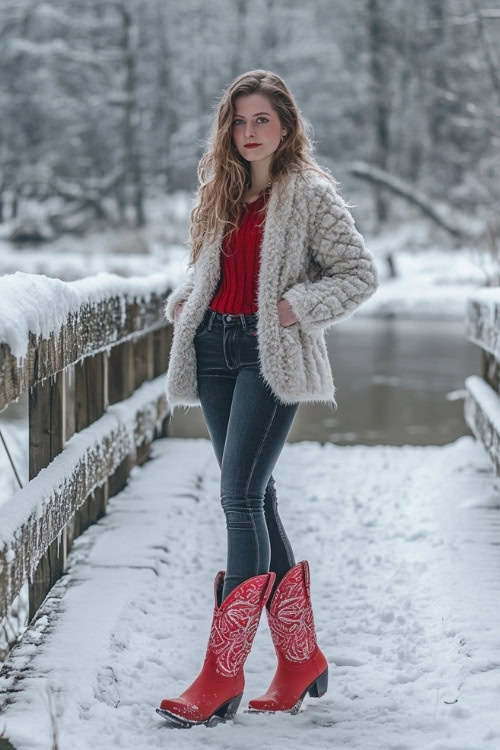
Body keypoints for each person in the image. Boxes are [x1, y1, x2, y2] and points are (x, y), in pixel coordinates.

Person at [156, 69, 379, 728]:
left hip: (267, 354)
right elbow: (210, 267)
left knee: (239, 497)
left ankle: (221, 676)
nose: (249, 132)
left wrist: (295, 307)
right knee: (258, 493)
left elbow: (358, 273)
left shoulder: (309, 195)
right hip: (214, 352)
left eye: (263, 121)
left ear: (286, 128)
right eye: (240, 121)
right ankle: (300, 659)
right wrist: (188, 299)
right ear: (228, 128)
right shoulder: (219, 190)